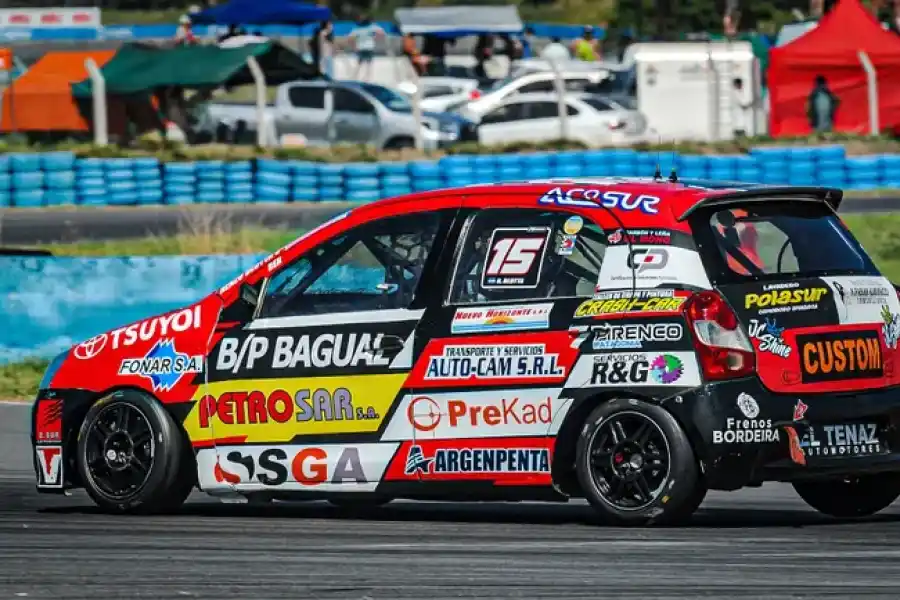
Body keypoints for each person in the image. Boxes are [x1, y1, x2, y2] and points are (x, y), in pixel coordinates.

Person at [350, 15, 384, 81]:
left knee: (359, 63)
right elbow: (382, 32)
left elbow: (350, 38)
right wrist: (375, 38)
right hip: (369, 47)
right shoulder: (371, 27)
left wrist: (354, 46)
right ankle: (367, 79)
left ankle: (355, 77)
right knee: (369, 64)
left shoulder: (357, 28)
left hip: (361, 48)